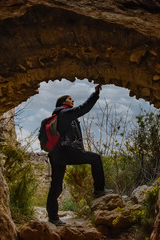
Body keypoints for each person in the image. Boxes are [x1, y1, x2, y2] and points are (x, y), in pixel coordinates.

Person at [46, 84, 113, 226]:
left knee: (56, 186)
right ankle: (99, 190)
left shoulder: (59, 115)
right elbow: (84, 108)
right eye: (70, 99)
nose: (73, 101)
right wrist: (95, 94)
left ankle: (53, 217)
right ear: (64, 102)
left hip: (57, 154)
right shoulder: (64, 113)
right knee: (95, 158)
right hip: (65, 151)